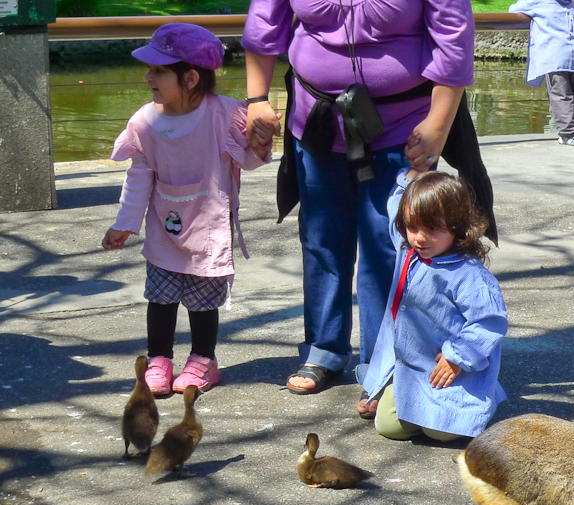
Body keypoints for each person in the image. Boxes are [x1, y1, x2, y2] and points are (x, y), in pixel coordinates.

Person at [241, 0, 488, 405]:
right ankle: (324, 349)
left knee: (389, 244)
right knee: (322, 238)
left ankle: (384, 362)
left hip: (404, 127)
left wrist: (439, 125)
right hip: (316, 120)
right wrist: (256, 99)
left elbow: (453, 37)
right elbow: (263, 24)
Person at [102, 23, 271, 396]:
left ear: (191, 78)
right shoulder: (146, 121)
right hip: (164, 222)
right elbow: (140, 175)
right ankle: (159, 358)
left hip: (209, 222)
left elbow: (249, 159)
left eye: (159, 71)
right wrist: (125, 224)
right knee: (160, 294)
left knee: (202, 297)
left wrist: (259, 143)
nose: (149, 77)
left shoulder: (225, 115)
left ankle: (202, 359)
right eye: (150, 69)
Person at [360, 169, 507, 441]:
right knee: (389, 427)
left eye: (433, 229)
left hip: (451, 368)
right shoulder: (409, 251)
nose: (420, 238)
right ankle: (391, 386)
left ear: (458, 225)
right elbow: (396, 211)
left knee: (440, 432)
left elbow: (489, 322)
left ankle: (485, 391)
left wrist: (458, 357)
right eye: (413, 227)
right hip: (413, 367)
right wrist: (407, 178)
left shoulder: (469, 274)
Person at [510, 0, 574, 145]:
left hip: (553, 56)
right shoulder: (571, 2)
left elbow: (513, 9)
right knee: (572, 90)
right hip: (572, 54)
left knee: (559, 94)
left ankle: (571, 133)